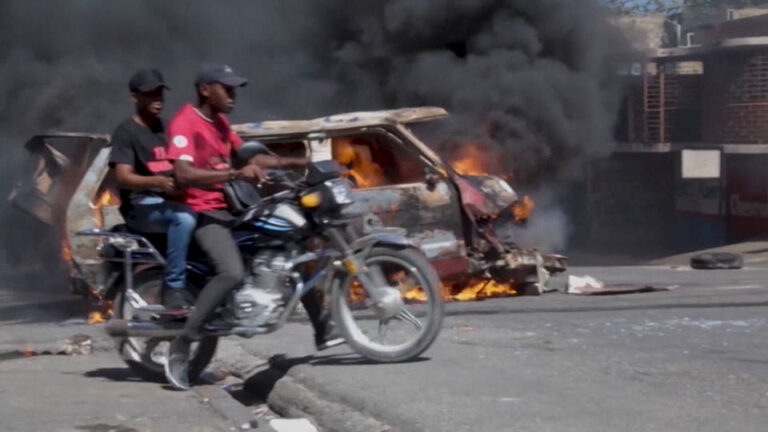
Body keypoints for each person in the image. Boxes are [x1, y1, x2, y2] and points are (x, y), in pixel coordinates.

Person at [164, 64, 342, 390]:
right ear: (205, 89)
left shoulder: (219, 122)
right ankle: (183, 341)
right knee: (231, 272)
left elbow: (251, 159)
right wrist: (233, 175)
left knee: (291, 245)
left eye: (234, 90)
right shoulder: (184, 122)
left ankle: (324, 328)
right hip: (203, 212)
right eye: (227, 89)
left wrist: (301, 164)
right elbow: (183, 175)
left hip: (232, 208)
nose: (233, 96)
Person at [109, 68, 196, 310]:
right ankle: (175, 287)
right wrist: (157, 182)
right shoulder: (126, 132)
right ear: (134, 97)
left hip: (170, 200)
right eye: (149, 94)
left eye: (159, 93)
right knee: (184, 219)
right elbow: (123, 178)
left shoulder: (169, 128)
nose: (157, 99)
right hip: (141, 206)